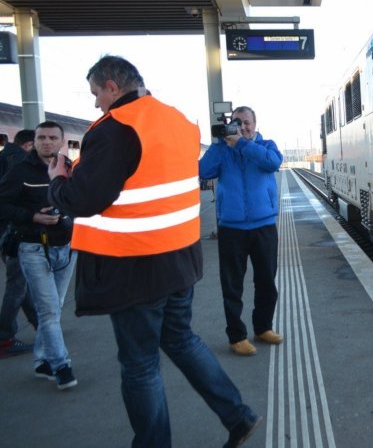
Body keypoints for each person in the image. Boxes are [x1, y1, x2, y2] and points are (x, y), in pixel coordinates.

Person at [47, 56, 262, 447]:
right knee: (181, 340)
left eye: (97, 93)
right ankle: (238, 415)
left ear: (113, 86)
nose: (97, 103)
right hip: (179, 260)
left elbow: (84, 197)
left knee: (140, 365)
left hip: (133, 269)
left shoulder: (116, 129)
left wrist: (59, 179)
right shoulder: (178, 121)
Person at [199, 105, 283, 356]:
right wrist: (219, 144)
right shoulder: (223, 150)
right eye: (237, 123)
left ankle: (263, 327)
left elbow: (273, 163)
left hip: (264, 225)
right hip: (232, 228)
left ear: (255, 124)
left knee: (266, 281)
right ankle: (236, 336)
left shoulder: (266, 145)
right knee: (232, 285)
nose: (243, 127)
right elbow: (203, 171)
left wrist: (243, 145)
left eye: (247, 122)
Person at [0, 122, 76, 389]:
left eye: (52, 137)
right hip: (32, 246)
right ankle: (61, 365)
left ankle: (41, 360)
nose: (47, 142)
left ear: (61, 141)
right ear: (34, 141)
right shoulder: (19, 170)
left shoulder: (69, 169)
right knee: (48, 310)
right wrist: (32, 216)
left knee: (54, 307)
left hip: (66, 247)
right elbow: (2, 204)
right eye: (41, 137)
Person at [0, 129, 39, 357]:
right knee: (17, 285)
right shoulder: (20, 164)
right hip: (11, 231)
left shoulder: (5, 158)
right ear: (28, 145)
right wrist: (31, 216)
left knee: (20, 283)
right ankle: (4, 337)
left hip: (7, 231)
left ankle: (40, 324)